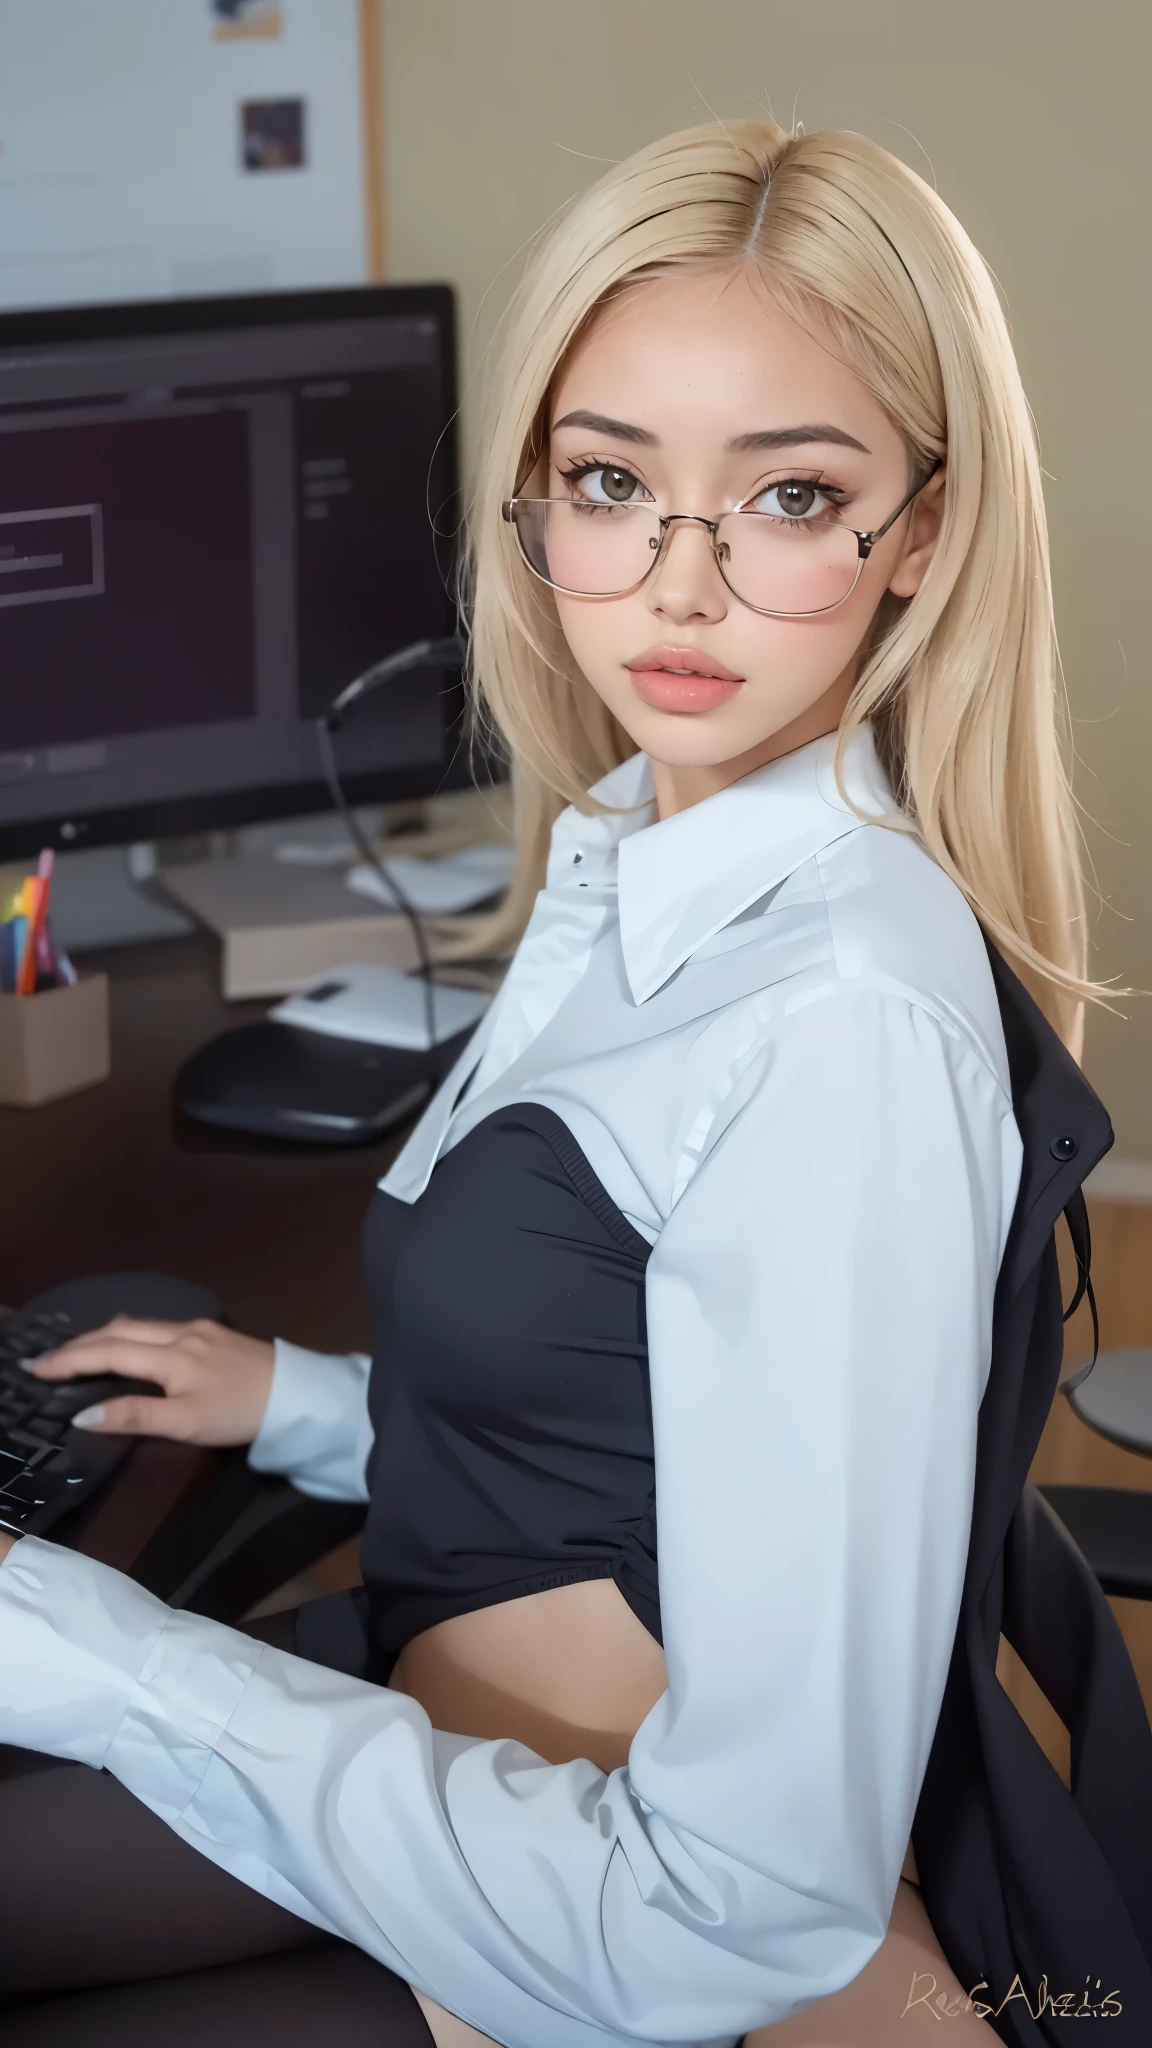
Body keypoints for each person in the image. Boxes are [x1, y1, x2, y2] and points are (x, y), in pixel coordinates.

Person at [0, 117, 1122, 2047]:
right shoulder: (632, 847)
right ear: (532, 498)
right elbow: (637, 1429)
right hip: (469, 1753)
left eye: (786, 499)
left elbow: (748, 1920)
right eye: (612, 481)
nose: (677, 588)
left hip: (589, 1922)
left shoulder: (838, 1019)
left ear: (920, 531)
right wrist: (303, 1403)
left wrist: (85, 1652)